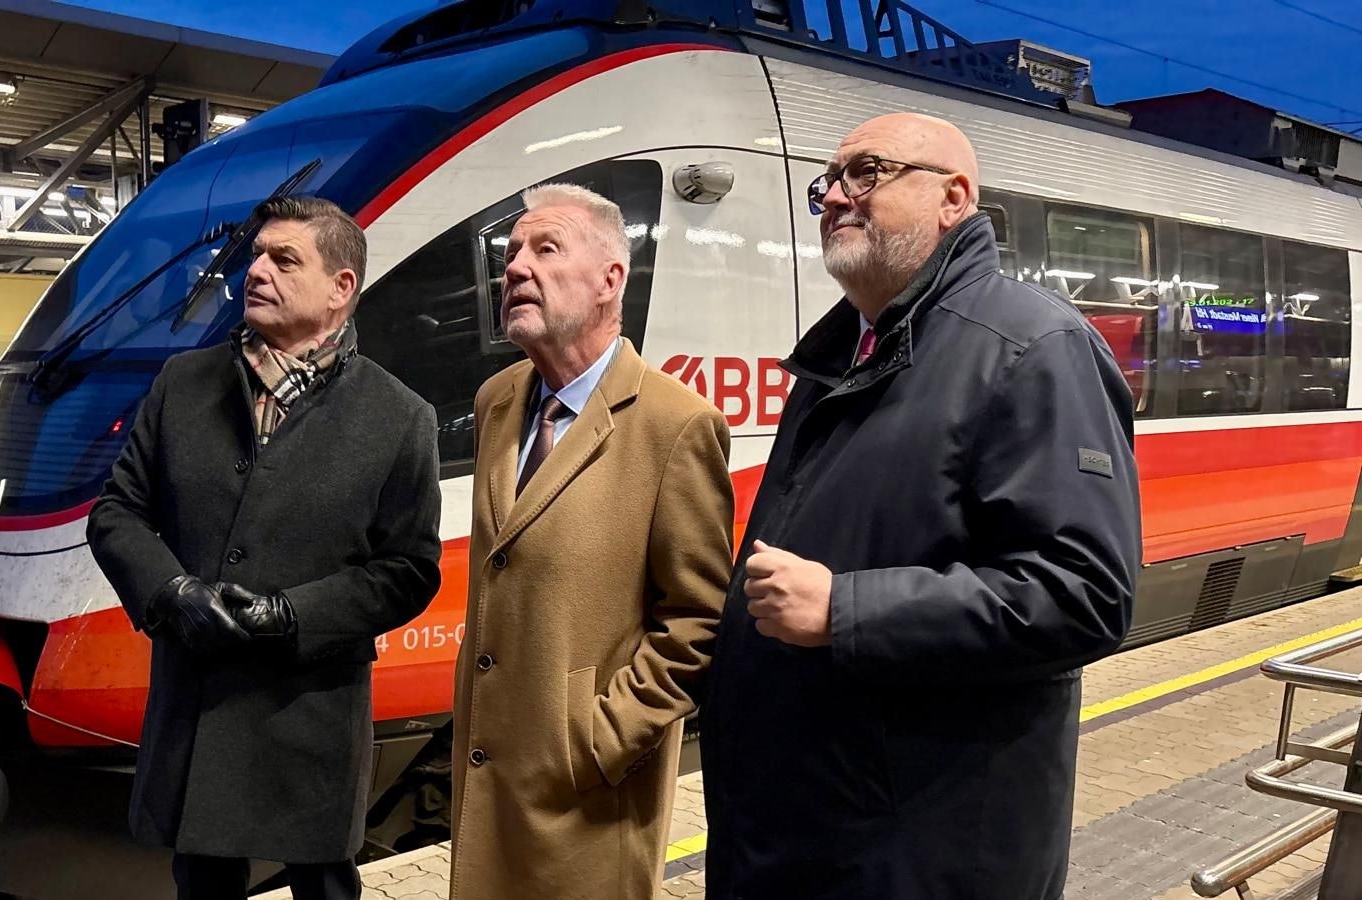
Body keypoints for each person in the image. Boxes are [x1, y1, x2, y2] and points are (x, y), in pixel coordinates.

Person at [700, 112, 1142, 899]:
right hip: (804, 838)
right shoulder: (839, 357)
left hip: (918, 856)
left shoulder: (1033, 348)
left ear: (954, 198)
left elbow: (1085, 594)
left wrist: (846, 609)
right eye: (828, 182)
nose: (836, 196)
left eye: (867, 172)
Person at [86, 195, 443, 900]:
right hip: (199, 703)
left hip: (309, 713)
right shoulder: (183, 385)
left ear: (341, 287)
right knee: (202, 885)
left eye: (285, 259)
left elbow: (408, 571)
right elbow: (116, 511)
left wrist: (290, 614)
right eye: (256, 256)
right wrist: (171, 592)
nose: (256, 271)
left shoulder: (400, 417)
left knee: (323, 887)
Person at [447, 183, 734, 900]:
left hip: (589, 797)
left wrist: (600, 741)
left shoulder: (676, 425)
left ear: (611, 280)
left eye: (545, 249)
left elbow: (698, 619)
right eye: (513, 251)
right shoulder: (498, 401)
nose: (515, 267)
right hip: (488, 774)